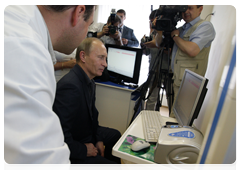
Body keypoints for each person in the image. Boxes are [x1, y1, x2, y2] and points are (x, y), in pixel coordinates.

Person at [4, 5, 95, 170]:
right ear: (79, 12)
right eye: (89, 25)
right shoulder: (25, 49)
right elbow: (38, 162)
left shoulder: (17, 21)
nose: (85, 34)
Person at [53, 37, 122, 170]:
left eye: (105, 59)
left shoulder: (90, 81)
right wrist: (84, 150)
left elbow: (93, 115)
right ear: (83, 56)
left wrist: (98, 138)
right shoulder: (70, 87)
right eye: (101, 58)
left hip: (85, 132)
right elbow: (59, 135)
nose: (105, 64)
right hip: (74, 145)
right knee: (115, 168)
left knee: (116, 135)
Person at [152, 5, 216, 117]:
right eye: (184, 8)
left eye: (190, 8)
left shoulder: (205, 26)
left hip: (189, 86)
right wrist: (159, 31)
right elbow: (158, 44)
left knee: (177, 120)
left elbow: (192, 50)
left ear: (200, 9)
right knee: (173, 118)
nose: (186, 11)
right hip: (177, 80)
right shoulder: (181, 29)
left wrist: (176, 37)